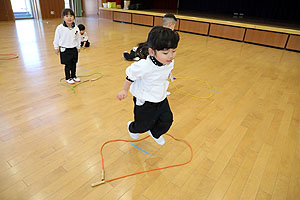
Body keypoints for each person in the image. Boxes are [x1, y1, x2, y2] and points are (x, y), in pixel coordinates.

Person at [117, 26, 180, 145]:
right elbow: (130, 76)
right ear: (152, 52)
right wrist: (124, 90)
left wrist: (169, 74)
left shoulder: (169, 62)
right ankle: (132, 127)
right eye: (166, 53)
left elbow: (166, 70)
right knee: (142, 126)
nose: (171, 56)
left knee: (167, 120)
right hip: (145, 99)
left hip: (160, 97)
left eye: (174, 51)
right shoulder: (143, 66)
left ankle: (155, 133)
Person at [53, 8, 81, 84]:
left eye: (71, 16)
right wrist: (56, 47)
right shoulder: (60, 28)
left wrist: (78, 46)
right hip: (64, 49)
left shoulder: (76, 28)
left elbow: (78, 38)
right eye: (67, 16)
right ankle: (68, 77)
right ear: (63, 17)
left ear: (74, 17)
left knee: (74, 64)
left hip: (73, 48)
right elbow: (56, 38)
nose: (69, 18)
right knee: (68, 65)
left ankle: (74, 76)